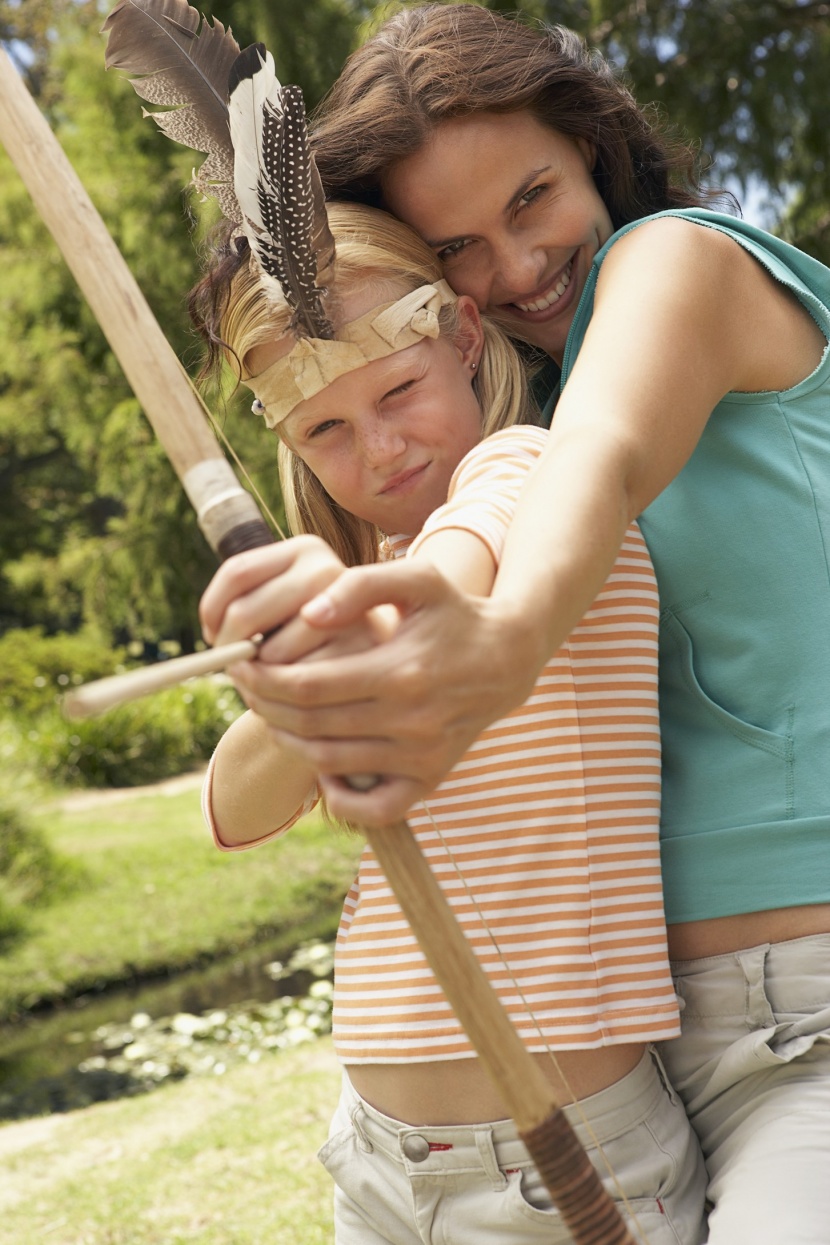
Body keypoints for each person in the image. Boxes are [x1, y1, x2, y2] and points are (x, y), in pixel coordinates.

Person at [199, 7, 830, 1244]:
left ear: (592, 148)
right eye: (458, 247)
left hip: (802, 1017)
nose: (517, 262)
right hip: (637, 1055)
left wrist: (502, 637)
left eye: (533, 197)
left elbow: (582, 472)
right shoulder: (470, 433)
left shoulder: (673, 263)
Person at [198, 200, 707, 1245]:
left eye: (398, 391)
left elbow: (462, 559)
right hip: (377, 1155)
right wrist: (298, 677)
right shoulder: (371, 581)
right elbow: (234, 809)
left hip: (561, 1158)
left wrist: (343, 629)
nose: (378, 449)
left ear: (465, 339)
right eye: (323, 430)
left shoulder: (529, 474)